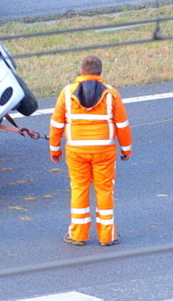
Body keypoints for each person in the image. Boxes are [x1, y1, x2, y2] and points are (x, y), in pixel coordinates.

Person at [49, 55, 133, 247]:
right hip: (104, 149)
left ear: (81, 72)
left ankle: (78, 235)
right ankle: (107, 236)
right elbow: (122, 123)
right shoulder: (111, 93)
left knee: (79, 188)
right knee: (104, 190)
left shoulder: (67, 92)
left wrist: (54, 149)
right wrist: (126, 148)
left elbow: (56, 123)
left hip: (76, 150)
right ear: (100, 73)